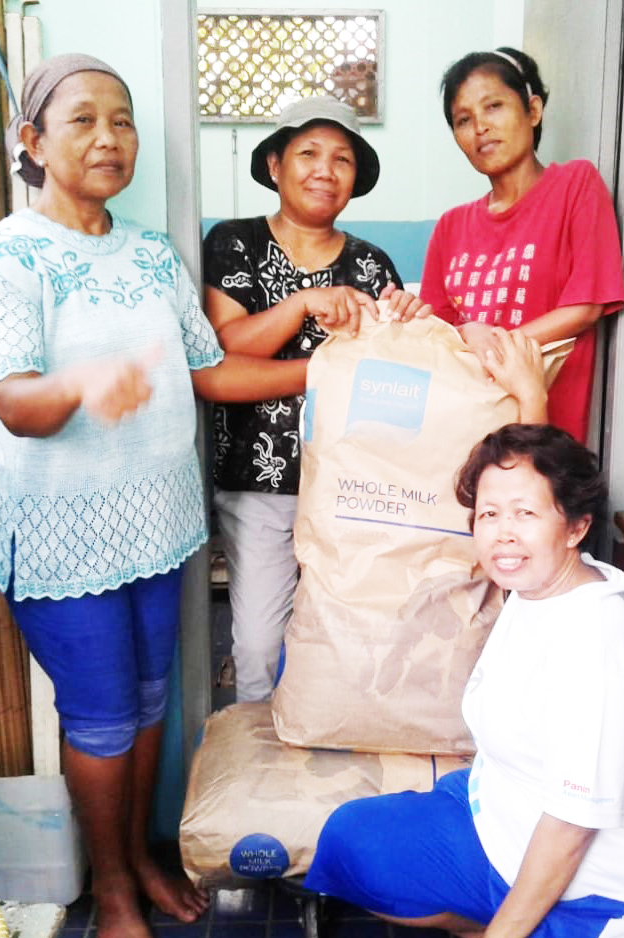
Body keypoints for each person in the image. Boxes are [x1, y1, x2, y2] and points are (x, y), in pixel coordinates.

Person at [0, 54, 349, 938]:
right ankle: (111, 885)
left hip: (158, 522)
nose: (108, 138)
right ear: (33, 140)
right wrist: (82, 382)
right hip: (64, 529)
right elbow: (15, 402)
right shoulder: (8, 254)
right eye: (83, 121)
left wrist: (334, 366)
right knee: (99, 715)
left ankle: (134, 861)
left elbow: (208, 371)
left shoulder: (149, 252)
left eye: (123, 121)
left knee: (144, 707)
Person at [306, 423, 624, 938]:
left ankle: (510, 934)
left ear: (576, 528)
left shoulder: (595, 645)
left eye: (526, 514)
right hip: (502, 836)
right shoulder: (537, 587)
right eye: (489, 514)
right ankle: (492, 924)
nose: (503, 533)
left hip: (605, 896)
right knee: (353, 843)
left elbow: (571, 826)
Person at [203, 95, 429, 701]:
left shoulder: (371, 263)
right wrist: (305, 304)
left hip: (353, 489)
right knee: (256, 643)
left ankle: (325, 753)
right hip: (259, 483)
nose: (325, 169)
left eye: (343, 158)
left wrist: (404, 325)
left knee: (346, 633)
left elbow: (396, 391)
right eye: (307, 153)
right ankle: (255, 766)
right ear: (275, 164)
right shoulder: (234, 243)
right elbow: (225, 355)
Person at [419, 48, 624, 443]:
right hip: (462, 436)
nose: (480, 127)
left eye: (493, 106)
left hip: (547, 437)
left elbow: (586, 306)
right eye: (464, 120)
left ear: (532, 110)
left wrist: (493, 347)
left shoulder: (575, 186)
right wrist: (467, 333)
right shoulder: (450, 226)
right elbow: (435, 328)